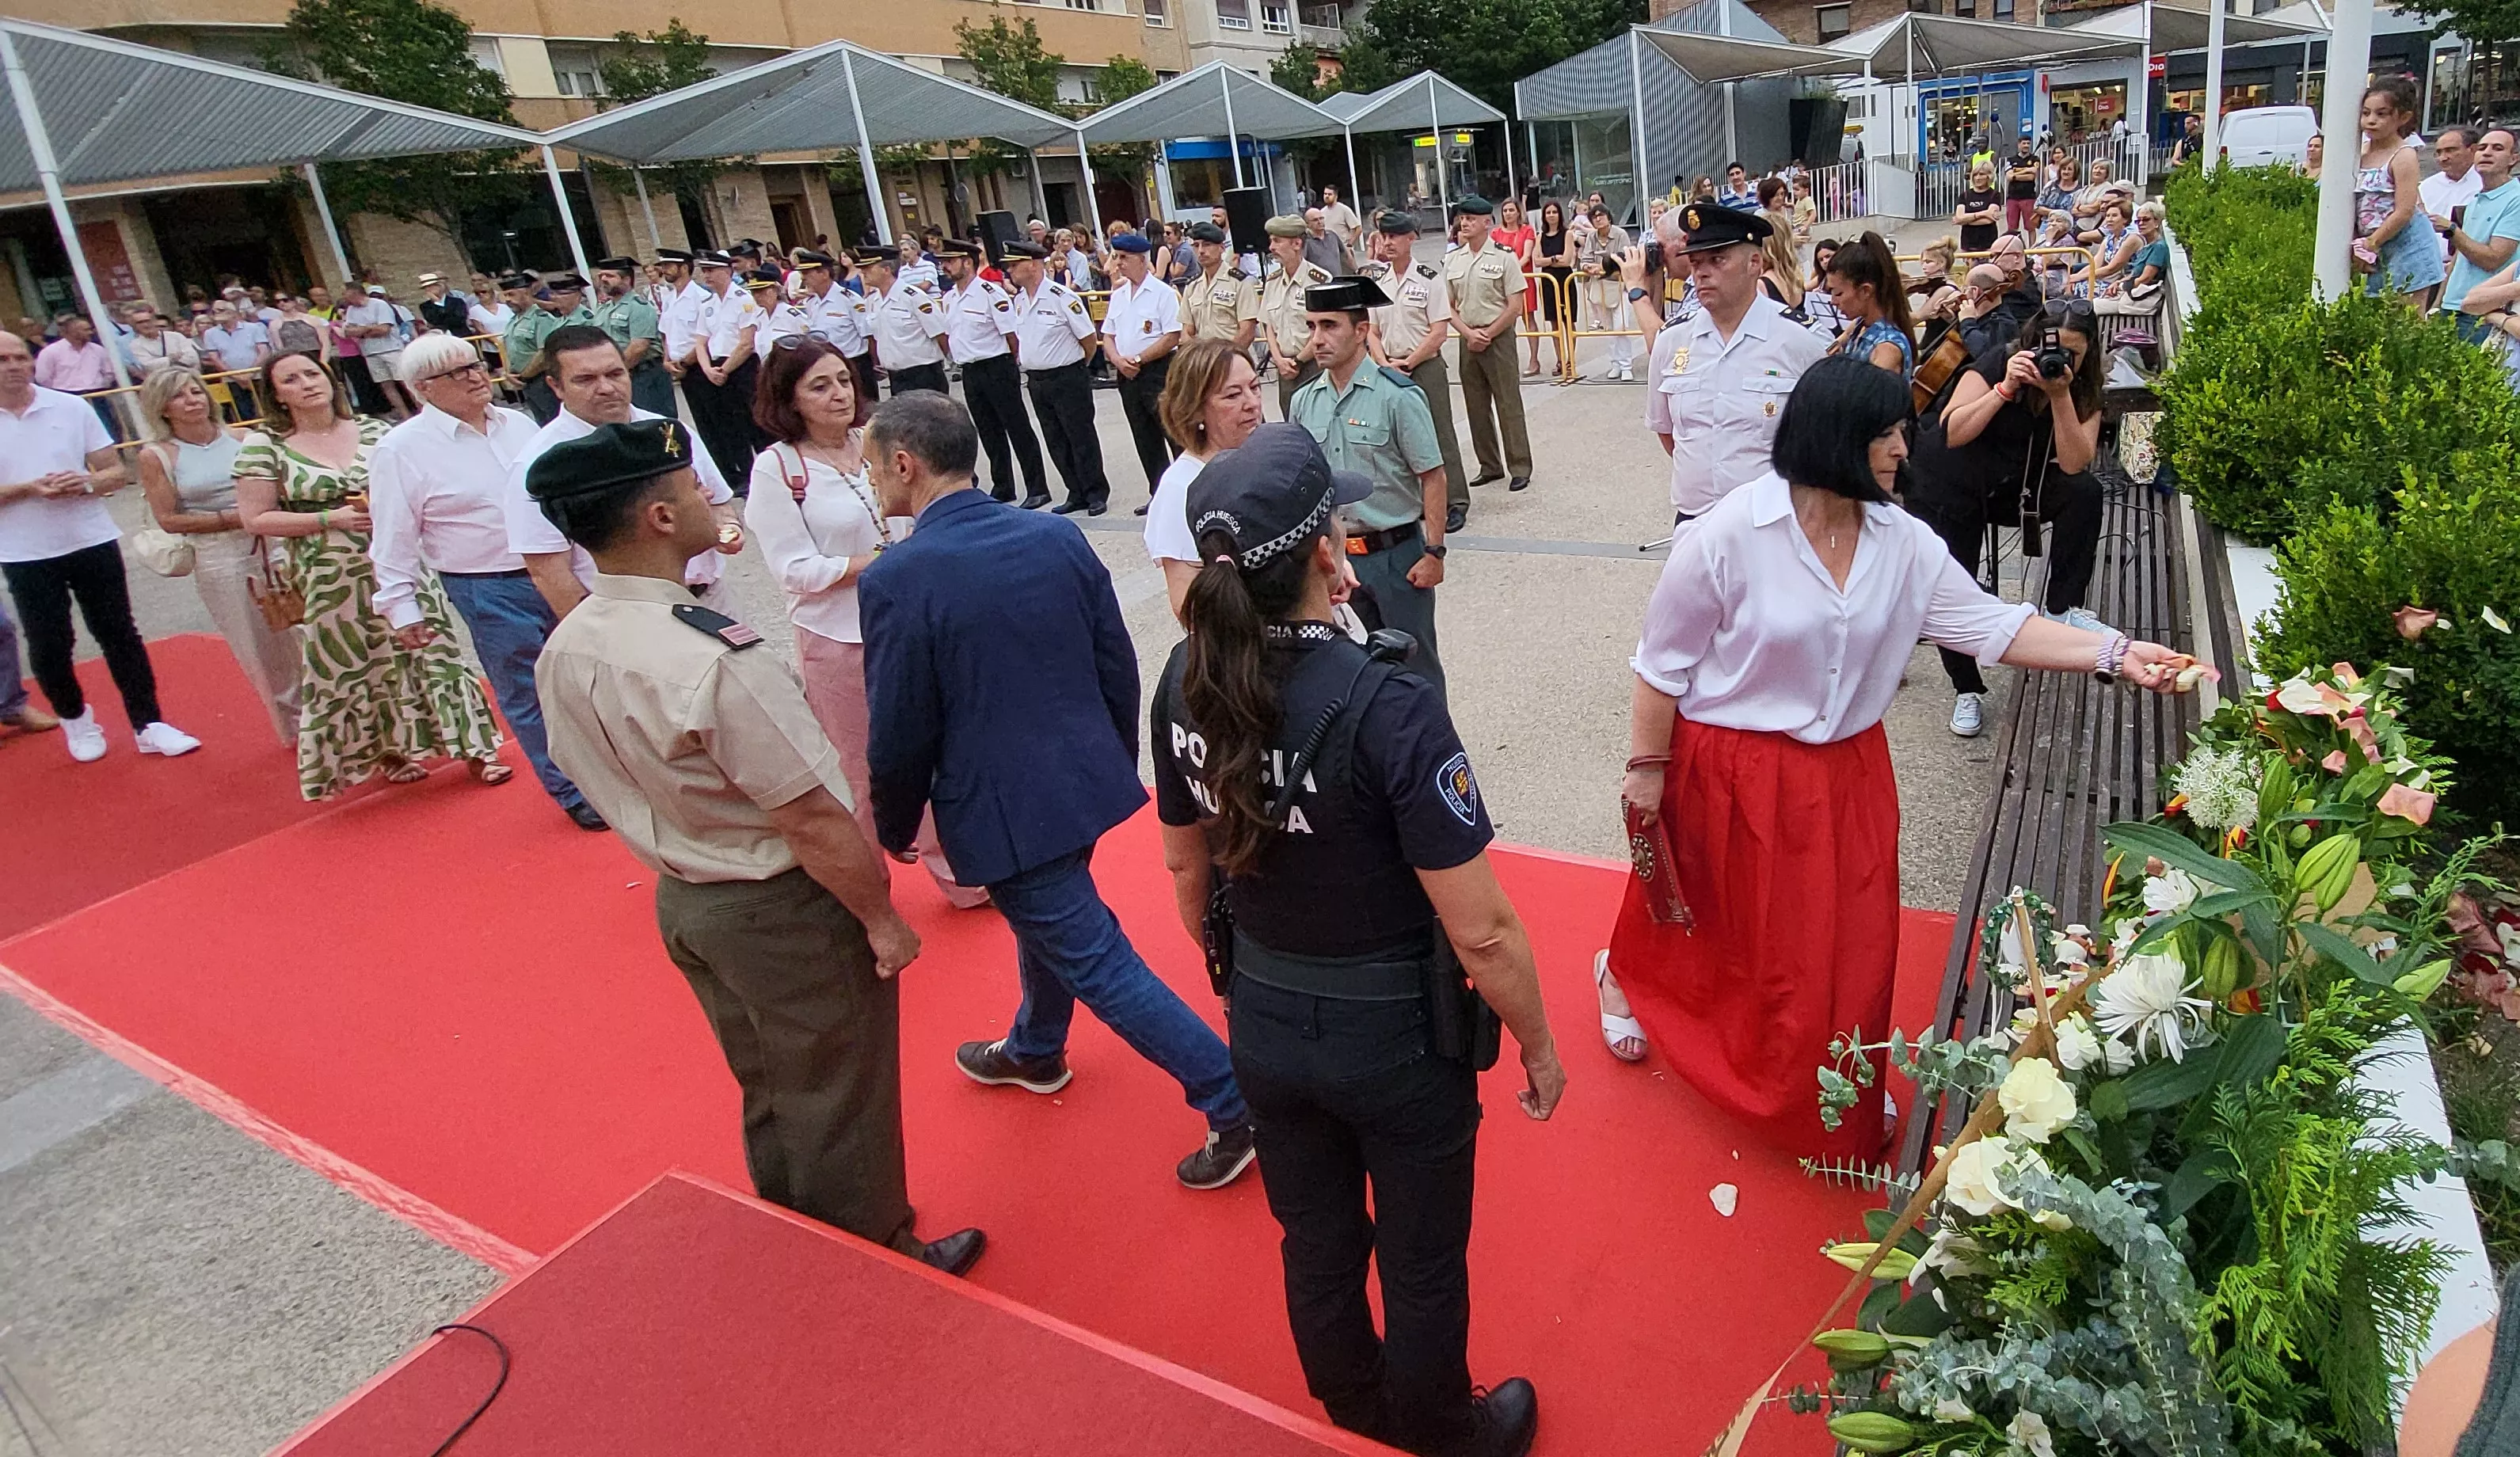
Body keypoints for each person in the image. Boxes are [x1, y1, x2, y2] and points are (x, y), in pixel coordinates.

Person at [1601, 356, 2202, 1151]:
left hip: (1845, 770)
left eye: (1899, 432)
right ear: (1833, 438)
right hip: (1731, 763)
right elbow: (1661, 667)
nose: (1900, 448)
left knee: (1847, 942)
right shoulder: (1725, 534)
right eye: (1883, 433)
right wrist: (1647, 775)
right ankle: (1621, 973)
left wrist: (2113, 651)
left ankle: (1840, 1085)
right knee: (1717, 912)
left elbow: (1995, 626)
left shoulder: (1903, 543)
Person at [1152, 422, 1559, 1457]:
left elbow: (1184, 868)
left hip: (1268, 1011)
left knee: (1317, 1239)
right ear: (1327, 550)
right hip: (1395, 1035)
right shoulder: (1387, 699)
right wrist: (1539, 1043)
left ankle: (1351, 1400)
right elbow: (1482, 927)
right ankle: (1439, 1430)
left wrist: (1235, 980)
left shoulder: (1183, 678)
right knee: (1421, 1258)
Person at [523, 417, 984, 1276]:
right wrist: (881, 918)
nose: (707, 497)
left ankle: (794, 1215)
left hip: (684, 892)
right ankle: (872, 1245)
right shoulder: (712, 656)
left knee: (771, 1075)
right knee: (838, 1081)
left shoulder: (572, 641)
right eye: (692, 489)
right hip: (775, 900)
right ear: (659, 517)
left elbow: (582, 767)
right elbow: (810, 814)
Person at [857, 393, 1256, 1189]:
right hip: (1075, 780)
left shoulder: (898, 576)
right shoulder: (1051, 534)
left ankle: (1230, 1096)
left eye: (873, 466)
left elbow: (900, 725)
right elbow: (1114, 657)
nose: (872, 481)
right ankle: (1035, 1046)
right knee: (1056, 924)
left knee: (1096, 958)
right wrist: (1106, 756)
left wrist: (894, 824)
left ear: (904, 463)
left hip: (1003, 807)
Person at [742, 336, 985, 907]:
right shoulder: (779, 468)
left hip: (909, 623)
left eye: (844, 381)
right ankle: (866, 891)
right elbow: (792, 568)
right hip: (837, 638)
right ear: (790, 398)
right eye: (819, 386)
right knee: (858, 771)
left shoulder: (880, 441)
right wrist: (875, 563)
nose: (838, 396)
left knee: (937, 750)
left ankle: (960, 873)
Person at [233, 351, 501, 797]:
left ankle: (476, 748)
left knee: (432, 646)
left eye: (312, 373)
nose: (306, 384)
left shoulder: (376, 431)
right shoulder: (265, 446)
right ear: (277, 395)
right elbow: (255, 518)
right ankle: (389, 752)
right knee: (357, 663)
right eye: (291, 379)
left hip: (395, 557)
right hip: (327, 573)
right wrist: (328, 519)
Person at [364, 333, 602, 828]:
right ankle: (571, 790)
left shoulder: (516, 424)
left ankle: (611, 772)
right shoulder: (400, 450)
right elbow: (392, 536)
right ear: (422, 388)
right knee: (526, 688)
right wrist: (401, 606)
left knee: (587, 676)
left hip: (559, 567)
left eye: (477, 364)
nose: (476, 376)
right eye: (458, 372)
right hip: (487, 584)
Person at [1905, 300, 2113, 739]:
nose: (2055, 359)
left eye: (2072, 354)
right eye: (2047, 349)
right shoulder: (2000, 359)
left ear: (2088, 354)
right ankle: (1966, 689)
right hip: (1951, 481)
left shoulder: (2086, 385)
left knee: (2084, 493)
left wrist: (2060, 395)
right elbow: (1954, 432)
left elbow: (2075, 463)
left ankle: (2061, 609)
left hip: (2018, 485)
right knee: (1953, 585)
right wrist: (2003, 389)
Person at [0, 330, 200, 763]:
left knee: (119, 632)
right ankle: (75, 718)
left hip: (90, 538)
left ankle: (149, 723)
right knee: (50, 643)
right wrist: (29, 489)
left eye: (20, 356)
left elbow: (114, 472)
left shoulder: (70, 407)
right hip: (24, 551)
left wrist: (86, 481)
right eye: (3, 359)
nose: (15, 365)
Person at [501, 325, 741, 621]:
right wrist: (600, 635)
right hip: (628, 617)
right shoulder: (539, 466)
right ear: (556, 386)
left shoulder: (669, 433)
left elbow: (719, 503)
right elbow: (549, 571)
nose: (605, 387)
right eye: (586, 380)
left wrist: (728, 529)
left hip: (710, 600)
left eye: (615, 374)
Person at [1290, 277, 1452, 700]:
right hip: (1335, 561)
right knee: (1350, 673)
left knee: (1415, 671)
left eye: (1329, 326)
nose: (1317, 339)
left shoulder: (1397, 396)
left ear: (1361, 331)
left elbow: (1432, 475)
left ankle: (1430, 758)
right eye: (1311, 327)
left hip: (1396, 558)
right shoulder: (1304, 401)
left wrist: (1434, 552)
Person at [1627, 203, 1828, 531]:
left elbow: (1823, 440)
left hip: (1771, 524)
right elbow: (1669, 432)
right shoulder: (1672, 341)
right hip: (1695, 520)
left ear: (1754, 263)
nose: (1702, 272)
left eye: (1717, 260)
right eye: (1695, 262)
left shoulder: (1803, 343)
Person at [134, 367, 301, 746]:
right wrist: (234, 518)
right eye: (180, 395)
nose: (192, 400)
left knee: (304, 631)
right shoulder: (157, 456)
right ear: (162, 408)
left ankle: (335, 713)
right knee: (258, 645)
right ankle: (294, 728)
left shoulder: (245, 437)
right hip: (221, 557)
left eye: (196, 391)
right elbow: (169, 519)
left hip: (275, 542)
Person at [1361, 210, 1471, 535]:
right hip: (1389, 366)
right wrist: (1384, 364)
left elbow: (1439, 331)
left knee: (1440, 435)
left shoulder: (1428, 278)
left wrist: (1408, 363)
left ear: (1412, 238)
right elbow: (1372, 331)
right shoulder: (1379, 282)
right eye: (1384, 236)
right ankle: (1421, 501)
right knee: (1402, 439)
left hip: (1424, 367)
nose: (1389, 242)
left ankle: (1455, 502)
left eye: (1396, 236)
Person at [1142, 337, 1266, 618]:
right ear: (1196, 408)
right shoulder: (1180, 489)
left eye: (1255, 388)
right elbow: (1188, 605)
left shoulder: (1262, 461)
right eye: (1232, 395)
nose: (1252, 404)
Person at [935, 239, 1049, 508]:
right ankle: (1003, 485)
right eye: (943, 262)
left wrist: (1012, 364)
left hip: (997, 366)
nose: (945, 266)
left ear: (967, 262)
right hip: (971, 370)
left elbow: (1011, 336)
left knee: (1017, 427)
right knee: (988, 431)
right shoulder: (950, 297)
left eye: (950, 261)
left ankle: (1037, 486)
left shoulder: (989, 293)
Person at [999, 241, 1107, 515]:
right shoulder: (1020, 301)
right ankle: (1075, 491)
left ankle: (1095, 492)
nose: (1010, 270)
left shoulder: (1061, 297)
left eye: (1014, 264)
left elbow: (1088, 340)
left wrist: (1075, 368)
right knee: (1055, 438)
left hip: (1067, 375)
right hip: (1037, 379)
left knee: (1080, 435)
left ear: (1033, 264)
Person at [1444, 197, 1533, 494]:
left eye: (1471, 218)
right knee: (1476, 406)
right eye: (1462, 218)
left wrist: (1488, 333)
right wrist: (1468, 333)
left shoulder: (1505, 257)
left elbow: (1515, 306)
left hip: (1498, 337)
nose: (1465, 223)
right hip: (1467, 337)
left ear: (1487, 223)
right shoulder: (1453, 260)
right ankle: (1490, 465)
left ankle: (1519, 466)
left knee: (1508, 403)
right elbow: (1448, 306)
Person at [1099, 231, 1182, 515]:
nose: (1118, 263)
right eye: (1116, 257)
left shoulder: (1162, 293)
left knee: (1172, 432)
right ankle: (1158, 494)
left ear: (1140, 259)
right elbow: (1107, 335)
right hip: (1127, 375)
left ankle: (1185, 493)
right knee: (1144, 437)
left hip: (1157, 372)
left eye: (1124, 258)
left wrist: (1137, 358)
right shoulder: (1120, 295)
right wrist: (1117, 360)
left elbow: (1172, 336)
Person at [2352, 76, 2443, 306]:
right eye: (2366, 113)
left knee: (2407, 321)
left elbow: (2404, 210)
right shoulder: (2358, 153)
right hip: (2376, 248)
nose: (2371, 121)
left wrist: (2372, 243)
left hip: (2407, 247)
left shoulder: (2404, 155)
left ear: (2402, 117)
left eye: (2381, 114)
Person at [681, 253, 766, 487]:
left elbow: (747, 343)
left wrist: (725, 370)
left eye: (711, 270)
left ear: (727, 272)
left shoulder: (743, 300)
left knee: (754, 423)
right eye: (704, 270)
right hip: (716, 368)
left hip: (741, 367)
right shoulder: (708, 304)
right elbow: (700, 341)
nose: (706, 275)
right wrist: (708, 369)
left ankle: (769, 475)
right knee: (730, 427)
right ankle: (747, 478)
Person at [2435, 127, 2520, 342]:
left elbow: (2493, 259)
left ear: (2514, 158)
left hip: (2486, 313)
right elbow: (2459, 259)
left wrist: (2452, 230)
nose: (2487, 153)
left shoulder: (2516, 199)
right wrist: (2437, 304)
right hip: (2451, 308)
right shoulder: (2476, 200)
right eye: (2482, 148)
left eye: (2497, 148)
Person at [1262, 215, 1338, 415]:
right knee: (1291, 423)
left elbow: (1325, 328)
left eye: (1277, 241)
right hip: (1284, 368)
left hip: (1314, 365)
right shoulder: (1272, 282)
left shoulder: (1319, 280)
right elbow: (1268, 325)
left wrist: (1299, 361)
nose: (1271, 247)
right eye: (1271, 241)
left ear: (1296, 244)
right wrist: (1279, 360)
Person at [590, 256, 676, 420]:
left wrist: (614, 372)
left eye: (610, 276)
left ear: (627, 279)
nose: (604, 280)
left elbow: (639, 347)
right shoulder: (603, 309)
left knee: (655, 424)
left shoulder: (639, 307)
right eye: (601, 276)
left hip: (644, 375)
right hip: (619, 375)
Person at [1821, 232, 1916, 379]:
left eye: (1838, 294)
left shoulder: (1886, 349)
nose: (1833, 301)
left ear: (1866, 291)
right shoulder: (1861, 325)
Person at [794, 247, 877, 405]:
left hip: (855, 364)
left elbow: (869, 336)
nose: (803, 279)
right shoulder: (811, 303)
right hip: (826, 366)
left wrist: (875, 364)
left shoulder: (849, 300)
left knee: (865, 410)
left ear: (824, 274)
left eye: (807, 274)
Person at [34, 314, 126, 441]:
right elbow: (43, 378)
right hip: (67, 396)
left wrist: (100, 386)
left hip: (97, 395)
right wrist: (61, 392)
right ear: (71, 332)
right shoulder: (51, 352)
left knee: (109, 429)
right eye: (86, 329)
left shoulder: (98, 350)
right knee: (74, 431)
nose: (91, 332)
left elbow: (109, 372)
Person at [1181, 220, 1262, 352]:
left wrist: (1221, 360)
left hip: (1234, 360)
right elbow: (1186, 332)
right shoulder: (1192, 286)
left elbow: (1247, 332)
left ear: (1222, 248)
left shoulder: (1240, 283)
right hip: (1202, 363)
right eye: (1196, 245)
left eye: (1207, 245)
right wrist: (1199, 357)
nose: (1201, 251)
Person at [336, 282, 413, 419]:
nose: (342, 296)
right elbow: (347, 332)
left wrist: (362, 331)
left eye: (344, 293)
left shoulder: (379, 305)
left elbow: (384, 329)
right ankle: (405, 415)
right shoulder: (352, 310)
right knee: (386, 385)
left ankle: (422, 410)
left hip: (391, 349)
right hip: (370, 352)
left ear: (353, 292)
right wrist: (369, 328)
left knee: (405, 381)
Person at [1579, 204, 1637, 382]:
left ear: (1608, 217)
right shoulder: (1591, 237)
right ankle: (1615, 364)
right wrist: (1589, 267)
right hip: (1601, 288)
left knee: (1621, 327)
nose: (1598, 219)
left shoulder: (1621, 234)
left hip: (1620, 286)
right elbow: (1585, 259)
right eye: (1594, 216)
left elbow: (1625, 258)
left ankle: (1626, 366)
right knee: (1610, 329)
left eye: (1601, 215)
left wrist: (1603, 268)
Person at [2092, 201, 2172, 317]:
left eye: (2146, 220)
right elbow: (2135, 273)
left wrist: (2121, 286)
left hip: (2138, 298)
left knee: (2091, 306)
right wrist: (2118, 282)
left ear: (2157, 222)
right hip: (2130, 292)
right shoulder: (2148, 244)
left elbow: (2145, 278)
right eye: (2138, 220)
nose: (2141, 223)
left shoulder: (2158, 248)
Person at [2420, 127, 2483, 272]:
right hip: (2427, 268)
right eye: (2439, 152)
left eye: (2450, 150)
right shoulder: (2426, 186)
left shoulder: (2485, 184)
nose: (2443, 157)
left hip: (2469, 267)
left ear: (2472, 150)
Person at [1530, 201, 1575, 377]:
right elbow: (1537, 261)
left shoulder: (1567, 234)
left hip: (1565, 280)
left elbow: (1567, 260)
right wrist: (1554, 258)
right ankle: (1560, 359)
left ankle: (1571, 359)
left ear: (1559, 214)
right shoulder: (1540, 237)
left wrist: (1549, 259)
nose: (1551, 215)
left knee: (1569, 322)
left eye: (1554, 212)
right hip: (1548, 282)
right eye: (1548, 212)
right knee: (1554, 322)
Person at [127, 306, 200, 378]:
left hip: (187, 377)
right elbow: (149, 366)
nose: (145, 325)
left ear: (155, 321)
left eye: (148, 320)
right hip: (162, 383)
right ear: (134, 326)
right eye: (140, 322)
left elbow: (193, 358)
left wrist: (162, 362)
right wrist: (171, 358)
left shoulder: (176, 336)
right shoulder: (135, 345)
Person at [1955, 164, 2003, 253]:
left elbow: (1989, 220)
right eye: (1975, 175)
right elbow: (1959, 218)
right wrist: (1984, 214)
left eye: (1981, 174)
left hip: (1988, 244)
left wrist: (1966, 220)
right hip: (1968, 244)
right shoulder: (1965, 195)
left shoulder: (1995, 195)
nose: (1978, 178)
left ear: (1989, 176)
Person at [2002, 138, 2042, 237]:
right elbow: (2009, 177)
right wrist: (2026, 171)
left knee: (2031, 227)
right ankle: (2013, 248)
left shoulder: (2035, 159)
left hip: (2028, 197)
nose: (2026, 145)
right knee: (2012, 228)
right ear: (2019, 144)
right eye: (2024, 143)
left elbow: (2032, 176)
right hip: (2012, 198)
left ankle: (2032, 251)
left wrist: (2016, 173)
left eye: (2028, 143)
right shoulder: (2010, 160)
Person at [414, 272, 471, 338]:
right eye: (426, 287)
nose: (429, 289)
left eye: (432, 286)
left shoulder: (457, 302)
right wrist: (437, 303)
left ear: (440, 286)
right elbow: (434, 322)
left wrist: (438, 304)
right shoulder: (425, 306)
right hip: (442, 339)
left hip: (462, 337)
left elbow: (459, 320)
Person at [1302, 208, 1353, 276]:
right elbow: (1301, 264)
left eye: (1321, 218)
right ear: (1307, 224)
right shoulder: (1306, 241)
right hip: (1319, 284)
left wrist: (1357, 271)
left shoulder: (1332, 235)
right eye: (1315, 220)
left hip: (1337, 281)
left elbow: (1346, 256)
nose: (1320, 222)